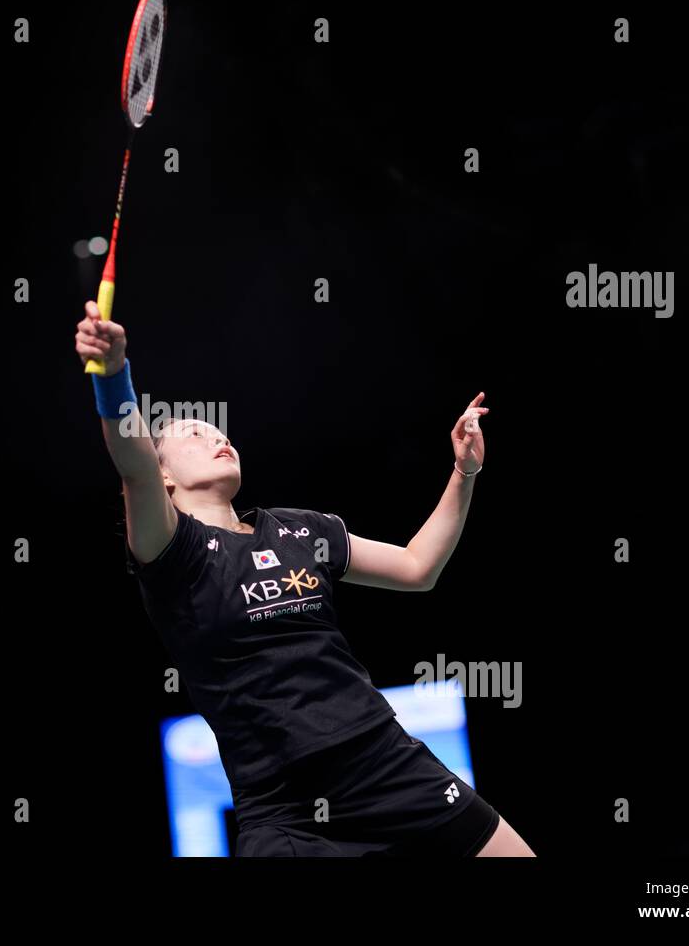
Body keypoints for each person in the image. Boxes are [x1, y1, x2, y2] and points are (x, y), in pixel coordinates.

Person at [77, 300, 534, 857]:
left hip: (384, 761)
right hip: (286, 807)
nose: (216, 437)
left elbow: (418, 568)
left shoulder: (298, 530)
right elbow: (131, 459)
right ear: (165, 475)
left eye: (217, 430)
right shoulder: (172, 555)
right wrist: (113, 372)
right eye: (192, 434)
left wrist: (464, 472)